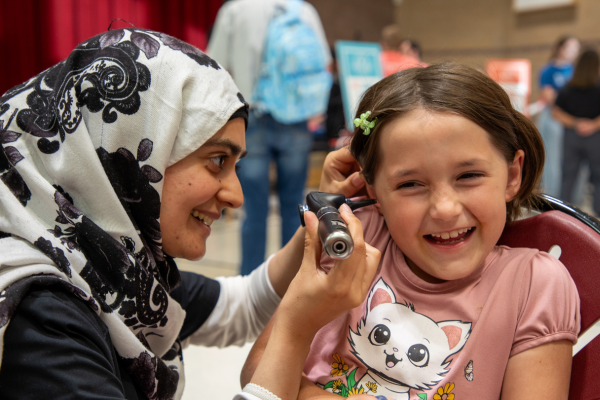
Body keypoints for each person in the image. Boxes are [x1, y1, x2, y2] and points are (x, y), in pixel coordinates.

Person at [0, 28, 379, 400]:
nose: (236, 196)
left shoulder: (110, 264)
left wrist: (324, 216)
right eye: (217, 161)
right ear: (127, 150)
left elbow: (242, 305)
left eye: (236, 166)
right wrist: (296, 329)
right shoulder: (42, 316)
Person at [242, 63, 580, 400]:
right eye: (410, 184)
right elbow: (258, 370)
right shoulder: (356, 238)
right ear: (372, 190)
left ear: (512, 175)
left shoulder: (534, 285)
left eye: (468, 176)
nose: (444, 209)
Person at [207, 0, 332, 276]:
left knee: (253, 209)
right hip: (296, 119)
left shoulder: (235, 10)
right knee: (294, 207)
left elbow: (215, 66)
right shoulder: (303, 11)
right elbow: (322, 63)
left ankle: (251, 286)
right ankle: (294, 280)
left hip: (252, 118)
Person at [553, 49, 600, 215]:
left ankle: (562, 213)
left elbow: (556, 112)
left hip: (572, 136)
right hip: (595, 138)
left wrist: (576, 123)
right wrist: (593, 124)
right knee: (598, 177)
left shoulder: (568, 87)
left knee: (568, 177)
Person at [537, 36, 581, 198]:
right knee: (553, 159)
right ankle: (553, 196)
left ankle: (573, 197)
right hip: (554, 119)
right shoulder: (548, 71)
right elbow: (549, 97)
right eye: (571, 47)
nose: (574, 52)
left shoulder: (577, 72)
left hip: (574, 121)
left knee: (574, 162)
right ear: (561, 49)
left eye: (576, 48)